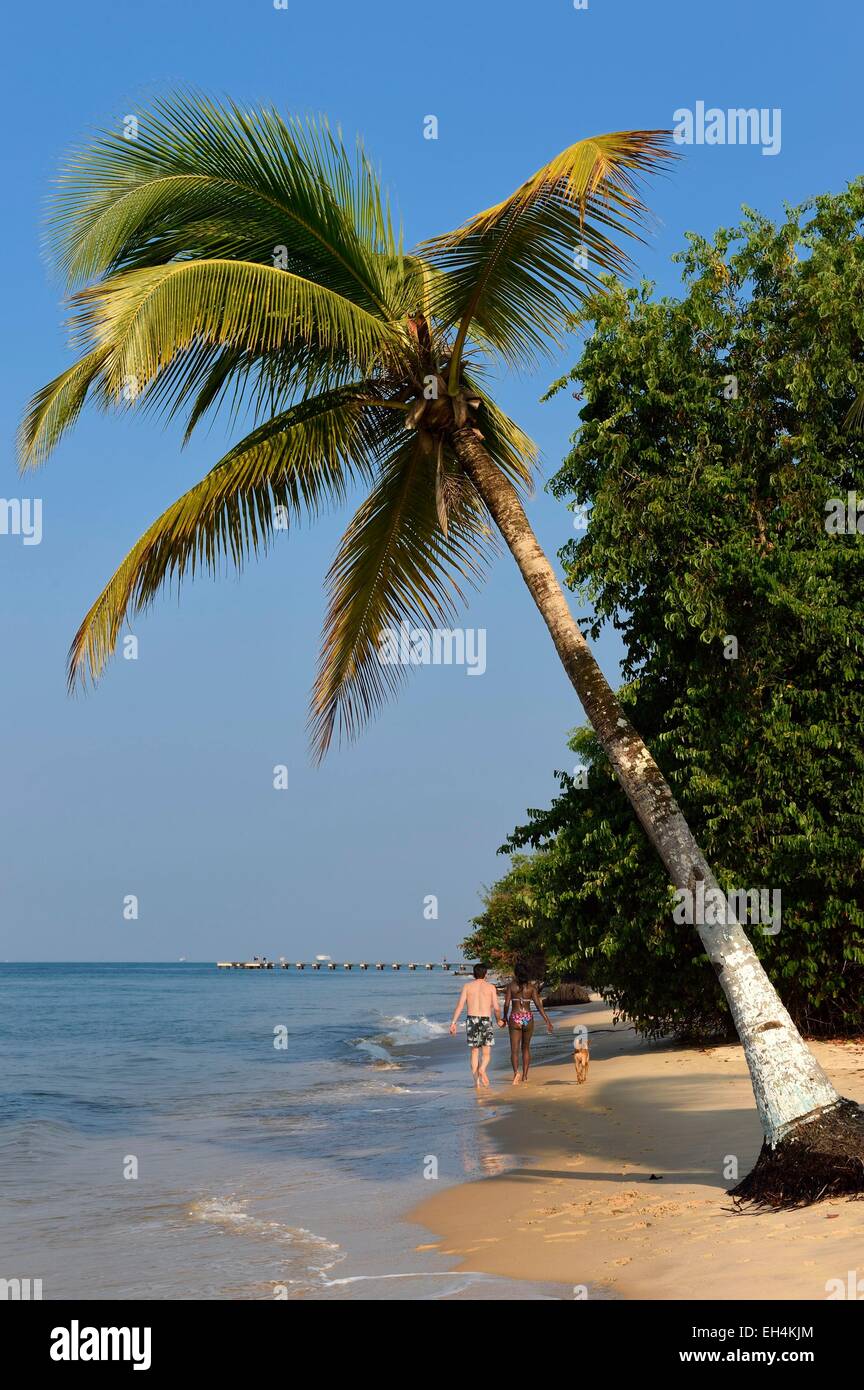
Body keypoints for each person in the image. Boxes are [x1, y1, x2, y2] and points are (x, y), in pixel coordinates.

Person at [449, 963, 504, 1087]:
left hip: (472, 1019)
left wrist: (453, 1023)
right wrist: (499, 1020)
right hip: (485, 1020)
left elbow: (460, 1006)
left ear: (474, 974)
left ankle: (477, 1083)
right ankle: (482, 1069)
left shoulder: (467, 986)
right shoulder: (490, 987)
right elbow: (496, 1008)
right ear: (485, 974)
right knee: (486, 1053)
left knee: (474, 1052)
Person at [503, 964, 553, 1085]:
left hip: (515, 1018)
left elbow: (506, 1004)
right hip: (527, 1018)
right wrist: (547, 1021)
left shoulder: (511, 986)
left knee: (514, 1050)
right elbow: (538, 1005)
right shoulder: (531, 988)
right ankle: (525, 1076)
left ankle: (516, 1074)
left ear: (515, 973)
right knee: (525, 1048)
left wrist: (505, 1017)